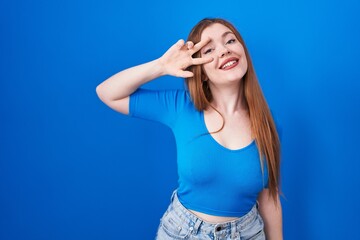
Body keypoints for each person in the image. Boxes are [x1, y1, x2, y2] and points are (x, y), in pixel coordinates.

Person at [96, 18, 282, 240]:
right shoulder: (180, 107)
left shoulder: (267, 123)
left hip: (248, 233)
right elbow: (107, 92)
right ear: (201, 71)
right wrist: (161, 67)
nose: (224, 51)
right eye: (210, 49)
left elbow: (269, 198)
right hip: (183, 233)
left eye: (230, 41)